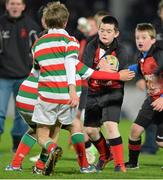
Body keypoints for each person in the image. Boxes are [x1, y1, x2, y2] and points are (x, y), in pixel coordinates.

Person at [30, 2, 134, 174]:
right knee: (76, 126)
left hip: (48, 96)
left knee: (43, 134)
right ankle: (83, 165)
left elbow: (34, 73)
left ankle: (46, 155)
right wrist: (73, 90)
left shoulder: (37, 45)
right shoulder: (71, 42)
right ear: (65, 22)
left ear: (45, 22)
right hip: (68, 96)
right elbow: (81, 70)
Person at [83, 15, 132, 172]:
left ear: (116, 33)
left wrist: (105, 74)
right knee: (90, 130)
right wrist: (102, 71)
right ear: (98, 30)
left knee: (110, 125)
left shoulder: (122, 50)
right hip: (93, 91)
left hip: (113, 92)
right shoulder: (91, 46)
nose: (104, 34)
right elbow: (86, 71)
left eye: (109, 31)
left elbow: (126, 75)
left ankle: (120, 164)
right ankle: (105, 155)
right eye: (102, 30)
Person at [0, 0, 41, 152]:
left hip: (25, 77)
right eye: (12, 3)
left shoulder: (32, 26)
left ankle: (17, 144)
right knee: (0, 112)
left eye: (18, 3)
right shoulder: (0, 23)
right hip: (2, 76)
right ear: (7, 6)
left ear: (23, 6)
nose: (15, 6)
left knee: (21, 115)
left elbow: (38, 52)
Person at [125, 23, 163, 169]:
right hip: (152, 100)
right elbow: (138, 68)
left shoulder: (159, 54)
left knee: (160, 142)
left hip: (161, 100)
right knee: (135, 130)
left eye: (144, 37)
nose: (139, 40)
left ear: (153, 40)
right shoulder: (141, 56)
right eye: (137, 37)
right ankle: (133, 163)